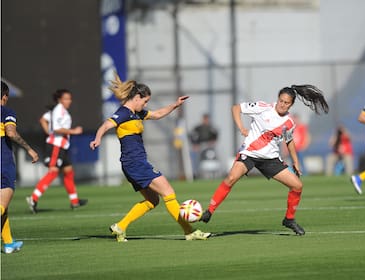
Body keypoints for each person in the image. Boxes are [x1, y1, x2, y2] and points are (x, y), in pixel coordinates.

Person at [89, 72, 210, 242]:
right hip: (135, 163)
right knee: (168, 192)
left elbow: (158, 114)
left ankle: (120, 227)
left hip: (134, 163)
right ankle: (189, 231)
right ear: (137, 97)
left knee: (153, 201)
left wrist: (175, 105)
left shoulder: (137, 113)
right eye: (145, 101)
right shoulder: (124, 112)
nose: (146, 104)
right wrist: (97, 138)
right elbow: (106, 124)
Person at [200, 84, 329, 235]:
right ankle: (209, 211)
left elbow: (289, 141)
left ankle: (289, 219)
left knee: (297, 186)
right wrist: (241, 127)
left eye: (286, 103)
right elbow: (236, 108)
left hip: (271, 159)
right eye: (281, 100)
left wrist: (295, 161)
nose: (282, 104)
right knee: (231, 177)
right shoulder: (262, 107)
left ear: (291, 105)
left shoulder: (289, 122)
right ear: (277, 99)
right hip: (250, 153)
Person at [26, 89, 88, 213]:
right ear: (60, 99)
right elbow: (57, 128)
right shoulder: (59, 110)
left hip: (62, 146)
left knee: (68, 172)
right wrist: (73, 131)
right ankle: (33, 198)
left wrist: (49, 132)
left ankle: (74, 201)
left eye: (69, 98)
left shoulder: (59, 110)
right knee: (53, 172)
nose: (69, 101)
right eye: (66, 98)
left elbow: (43, 119)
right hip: (56, 146)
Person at [1, 81, 39, 253]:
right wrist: (29, 149)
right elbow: (10, 132)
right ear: (5, 96)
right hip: (3, 162)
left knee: (4, 206)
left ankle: (8, 243)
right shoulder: (6, 111)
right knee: (2, 204)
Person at [189, 113, 219, 178]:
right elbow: (192, 136)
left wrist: (213, 142)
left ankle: (213, 174)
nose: (206, 120)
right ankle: (196, 174)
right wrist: (195, 144)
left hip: (209, 146)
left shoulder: (211, 128)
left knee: (211, 157)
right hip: (200, 146)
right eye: (205, 119)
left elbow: (215, 135)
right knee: (196, 159)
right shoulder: (198, 128)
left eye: (207, 119)